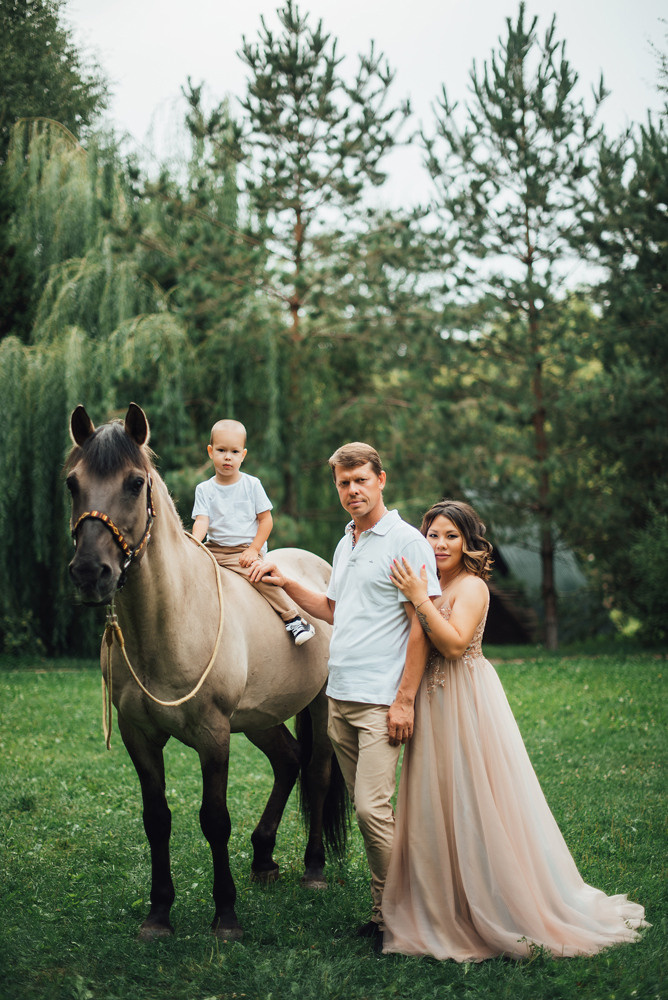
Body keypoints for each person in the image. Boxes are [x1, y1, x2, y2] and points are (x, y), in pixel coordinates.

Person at [381, 499, 648, 961]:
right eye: (432, 535)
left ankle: (495, 899)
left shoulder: (471, 587)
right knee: (434, 798)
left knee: (476, 795)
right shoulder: (428, 582)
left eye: (451, 535)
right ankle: (440, 900)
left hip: (466, 701)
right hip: (430, 701)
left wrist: (420, 597)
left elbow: (455, 643)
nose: (440, 544)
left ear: (468, 541)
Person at [249, 442, 440, 943]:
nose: (352, 490)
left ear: (381, 479)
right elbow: (333, 609)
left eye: (360, 480)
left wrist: (404, 700)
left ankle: (411, 914)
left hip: (381, 702)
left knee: (371, 811)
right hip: (341, 698)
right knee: (364, 808)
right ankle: (384, 916)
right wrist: (283, 579)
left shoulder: (406, 542)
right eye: (343, 483)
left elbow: (421, 624)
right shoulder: (347, 541)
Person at [192, 418, 315, 645]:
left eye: (234, 451)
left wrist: (253, 549)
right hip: (214, 548)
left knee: (259, 577)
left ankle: (293, 619)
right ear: (210, 452)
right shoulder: (205, 489)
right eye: (221, 450)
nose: (227, 456)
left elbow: (265, 520)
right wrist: (193, 544)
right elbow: (202, 521)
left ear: (243, 455)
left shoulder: (252, 485)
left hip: (242, 551)